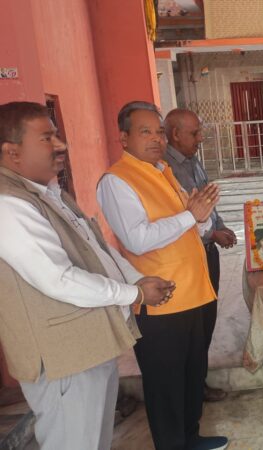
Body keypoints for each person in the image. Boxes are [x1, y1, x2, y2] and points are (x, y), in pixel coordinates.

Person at [0, 101, 174, 450]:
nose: (61, 144)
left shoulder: (48, 193)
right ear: (12, 152)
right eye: (47, 138)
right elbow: (58, 279)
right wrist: (134, 295)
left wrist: (134, 280)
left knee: (94, 441)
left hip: (89, 346)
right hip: (64, 358)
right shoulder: (9, 204)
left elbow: (96, 247)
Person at [97, 101, 228, 450]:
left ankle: (190, 438)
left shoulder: (163, 171)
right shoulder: (117, 180)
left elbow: (191, 225)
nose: (156, 139)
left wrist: (203, 219)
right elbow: (137, 239)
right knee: (165, 383)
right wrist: (190, 217)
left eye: (158, 132)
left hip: (193, 291)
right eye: (146, 132)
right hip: (161, 299)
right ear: (124, 138)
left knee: (191, 375)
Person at [164, 108, 237, 403]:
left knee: (206, 320)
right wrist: (211, 234)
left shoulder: (193, 160)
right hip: (187, 258)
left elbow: (206, 204)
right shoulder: (165, 169)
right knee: (192, 327)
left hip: (208, 254)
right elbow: (177, 218)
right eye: (194, 133)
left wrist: (220, 226)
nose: (200, 138)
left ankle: (198, 382)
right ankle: (190, 388)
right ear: (175, 134)